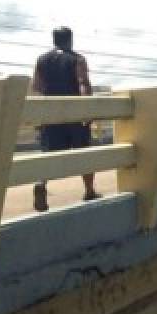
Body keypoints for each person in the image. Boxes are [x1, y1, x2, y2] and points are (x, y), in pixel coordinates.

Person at [31, 26, 101, 212]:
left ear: (54, 40)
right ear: (70, 39)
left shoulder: (42, 59)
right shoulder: (78, 59)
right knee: (84, 153)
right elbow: (82, 83)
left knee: (49, 153)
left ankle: (41, 184)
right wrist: (86, 109)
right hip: (74, 114)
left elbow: (37, 86)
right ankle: (89, 190)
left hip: (51, 114)